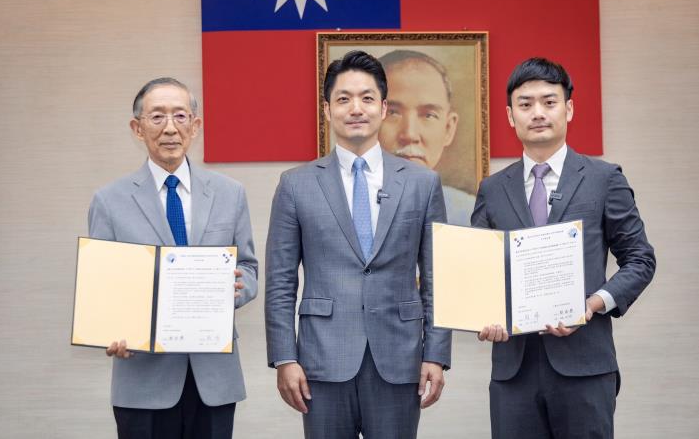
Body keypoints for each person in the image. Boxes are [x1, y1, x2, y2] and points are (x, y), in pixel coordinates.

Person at [265, 50, 452, 439]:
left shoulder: (421, 183)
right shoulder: (296, 185)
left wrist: (436, 352)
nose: (356, 108)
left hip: (399, 359)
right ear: (327, 110)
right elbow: (280, 283)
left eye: (367, 98)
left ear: (383, 109)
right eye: (343, 98)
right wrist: (284, 357)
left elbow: (439, 278)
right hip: (322, 359)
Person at [472, 58, 656, 438]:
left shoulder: (604, 178)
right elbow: (479, 270)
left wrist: (591, 305)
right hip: (513, 370)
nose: (537, 113)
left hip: (585, 366)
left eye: (549, 102)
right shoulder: (492, 189)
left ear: (569, 108)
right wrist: (482, 312)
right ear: (510, 116)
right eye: (525, 105)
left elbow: (640, 259)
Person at [88, 77, 258, 439]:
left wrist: (236, 289)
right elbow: (100, 286)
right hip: (143, 380)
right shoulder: (109, 200)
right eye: (157, 117)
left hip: (213, 377)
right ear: (137, 128)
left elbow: (249, 268)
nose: (170, 128)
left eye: (180, 116)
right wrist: (109, 329)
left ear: (195, 126)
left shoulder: (230, 194)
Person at [378, 49, 476, 226]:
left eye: (428, 115)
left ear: (448, 128)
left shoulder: (471, 216)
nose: (409, 134)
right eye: (392, 113)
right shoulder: (340, 211)